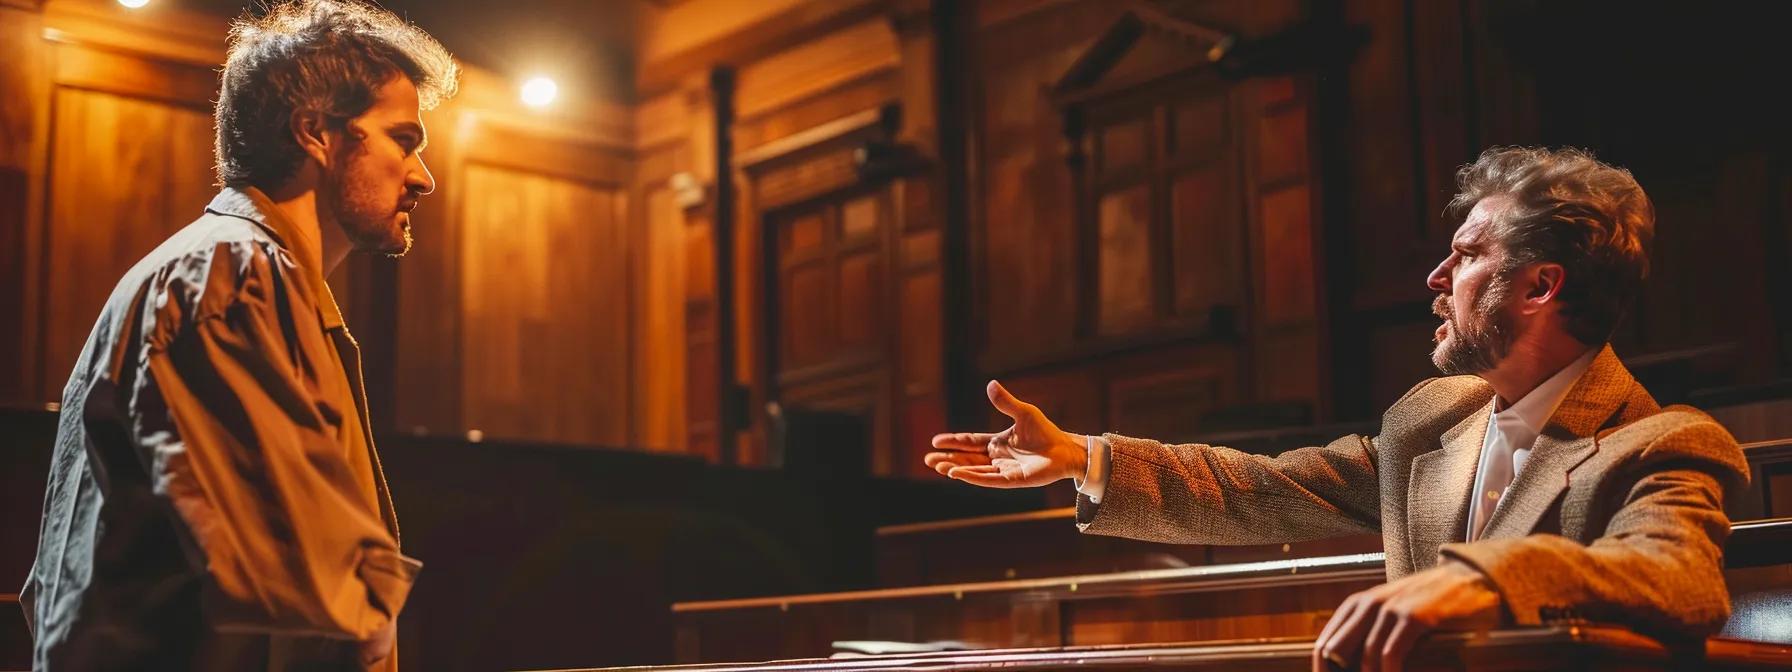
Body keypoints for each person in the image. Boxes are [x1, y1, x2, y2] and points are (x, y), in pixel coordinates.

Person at [925, 146, 1748, 672]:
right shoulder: (1434, 418)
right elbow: (1259, 489)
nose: (1433, 277)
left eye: (1465, 255)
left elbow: (1676, 579)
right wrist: (1083, 457)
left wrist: (1480, 581)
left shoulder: (1664, 443)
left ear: (1539, 286)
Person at [21, 1, 457, 669]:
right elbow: (308, 571)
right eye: (403, 139)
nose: (424, 178)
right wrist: (369, 614)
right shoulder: (229, 273)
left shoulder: (241, 272)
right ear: (315, 132)